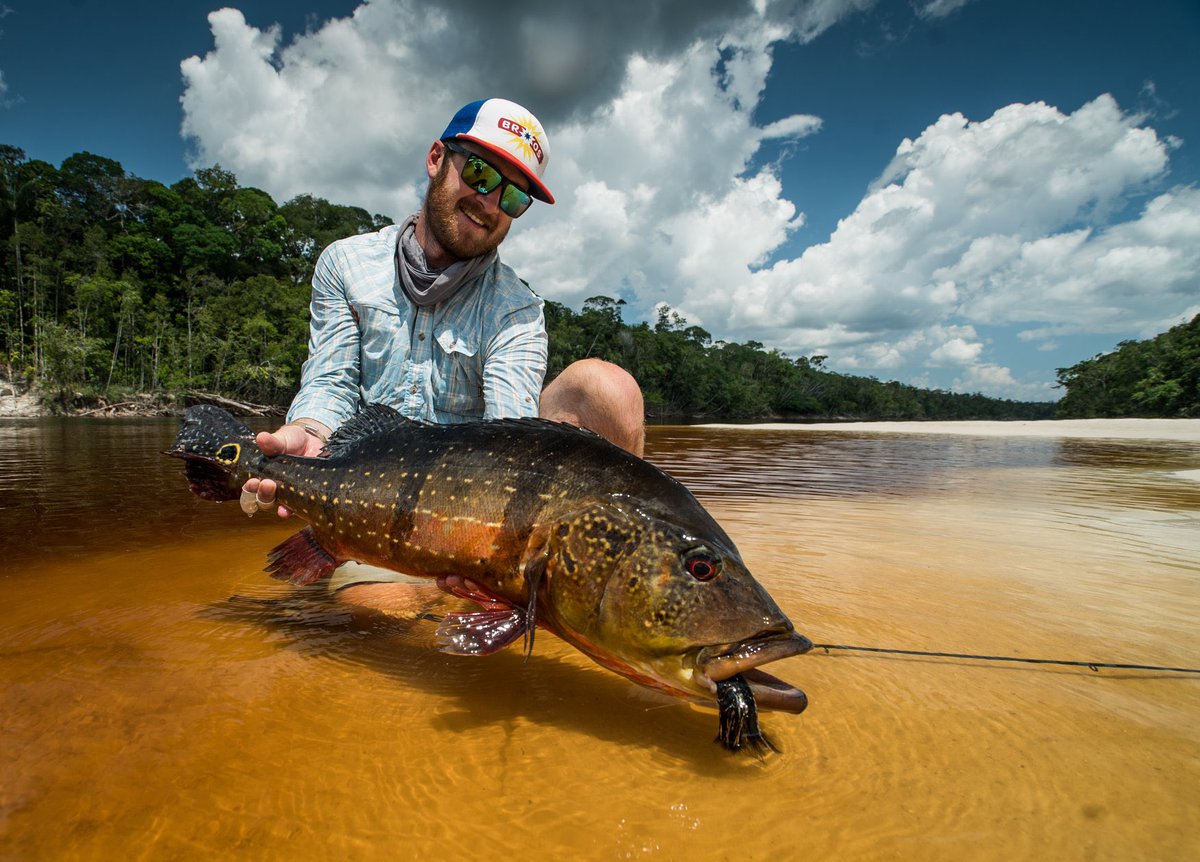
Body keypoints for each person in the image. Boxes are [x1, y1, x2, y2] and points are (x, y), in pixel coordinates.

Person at [243, 98, 645, 529]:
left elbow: (509, 432)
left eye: (512, 197)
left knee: (609, 389)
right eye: (480, 173)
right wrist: (309, 431)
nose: (490, 203)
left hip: (465, 504)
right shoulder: (345, 264)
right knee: (378, 597)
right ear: (436, 159)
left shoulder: (519, 312)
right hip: (362, 486)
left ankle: (608, 548)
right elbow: (331, 382)